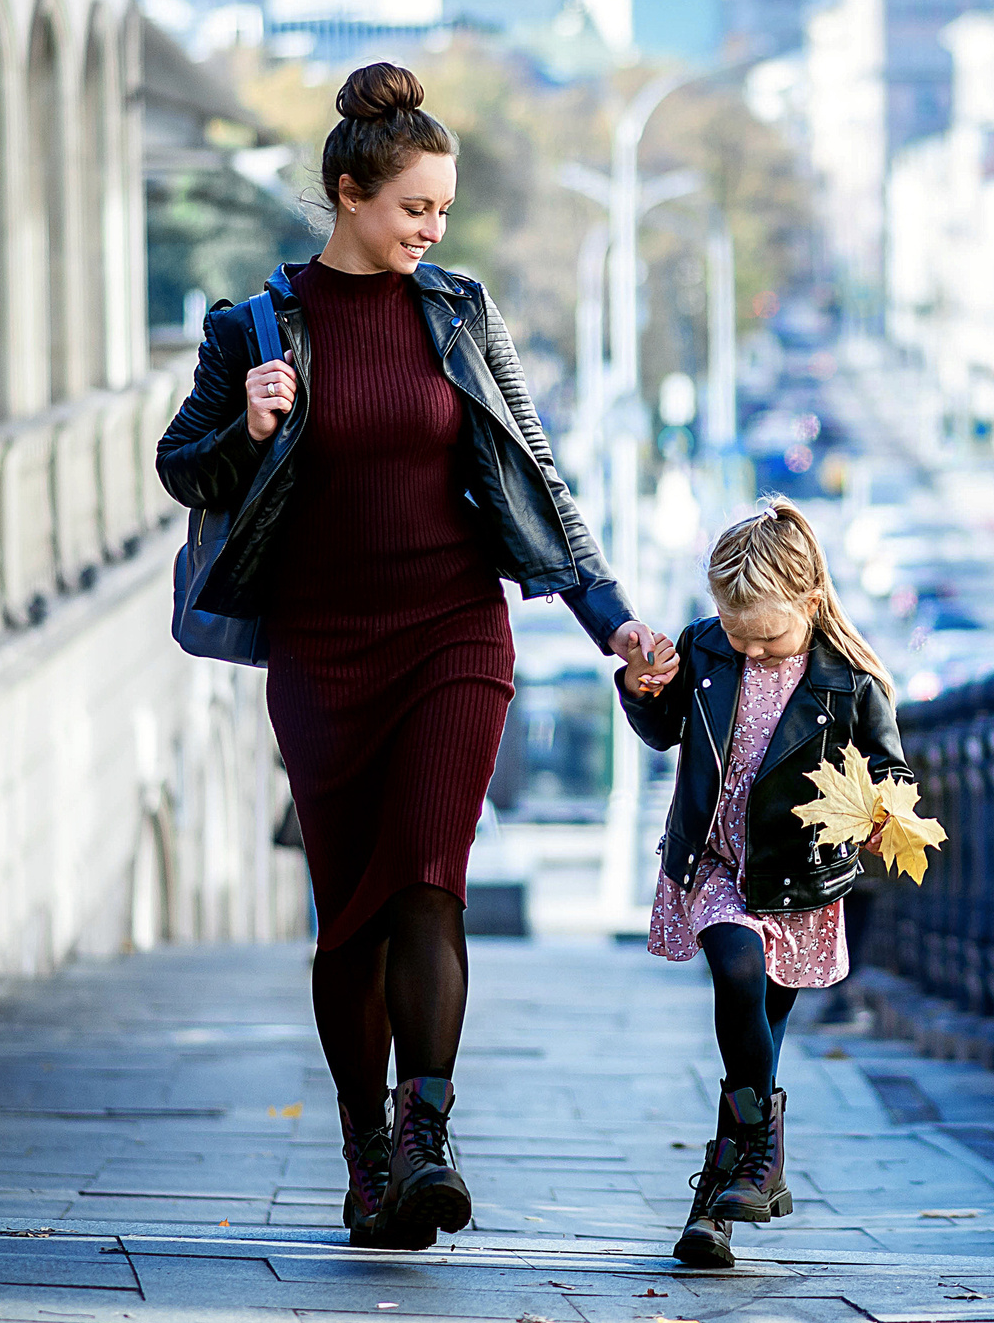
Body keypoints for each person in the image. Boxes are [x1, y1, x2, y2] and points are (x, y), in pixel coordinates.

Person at [156, 62, 668, 1251]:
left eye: (442, 209)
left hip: (454, 629)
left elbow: (536, 474)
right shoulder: (253, 327)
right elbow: (182, 468)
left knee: (431, 878)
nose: (432, 229)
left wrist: (612, 621)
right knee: (350, 916)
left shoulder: (460, 311)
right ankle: (367, 1159)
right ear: (349, 194)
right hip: (322, 648)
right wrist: (251, 424)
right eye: (413, 208)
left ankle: (426, 1141)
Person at [617, 498, 910, 1268]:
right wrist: (642, 688)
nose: (748, 646)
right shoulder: (706, 648)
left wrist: (887, 810)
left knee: (761, 1048)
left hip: (796, 880)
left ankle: (714, 1210)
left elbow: (890, 768)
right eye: (735, 629)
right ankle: (762, 1154)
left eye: (766, 636)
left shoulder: (849, 683)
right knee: (737, 973)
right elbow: (663, 728)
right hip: (715, 862)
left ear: (809, 602)